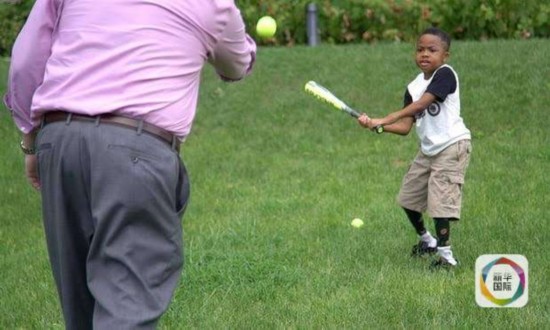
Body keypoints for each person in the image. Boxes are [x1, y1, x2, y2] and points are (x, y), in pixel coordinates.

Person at [4, 0, 256, 328]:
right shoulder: (214, 5)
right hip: (137, 152)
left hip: (59, 142)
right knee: (127, 307)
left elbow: (25, 60)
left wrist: (30, 137)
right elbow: (236, 64)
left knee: (81, 311)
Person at [358, 27, 471, 269]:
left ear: (445, 55)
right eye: (420, 50)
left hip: (452, 146)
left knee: (439, 202)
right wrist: (377, 127)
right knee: (408, 198)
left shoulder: (446, 74)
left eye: (432, 50)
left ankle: (447, 257)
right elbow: (405, 127)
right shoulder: (413, 86)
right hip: (429, 150)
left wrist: (384, 118)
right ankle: (426, 241)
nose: (425, 54)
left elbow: (423, 103)